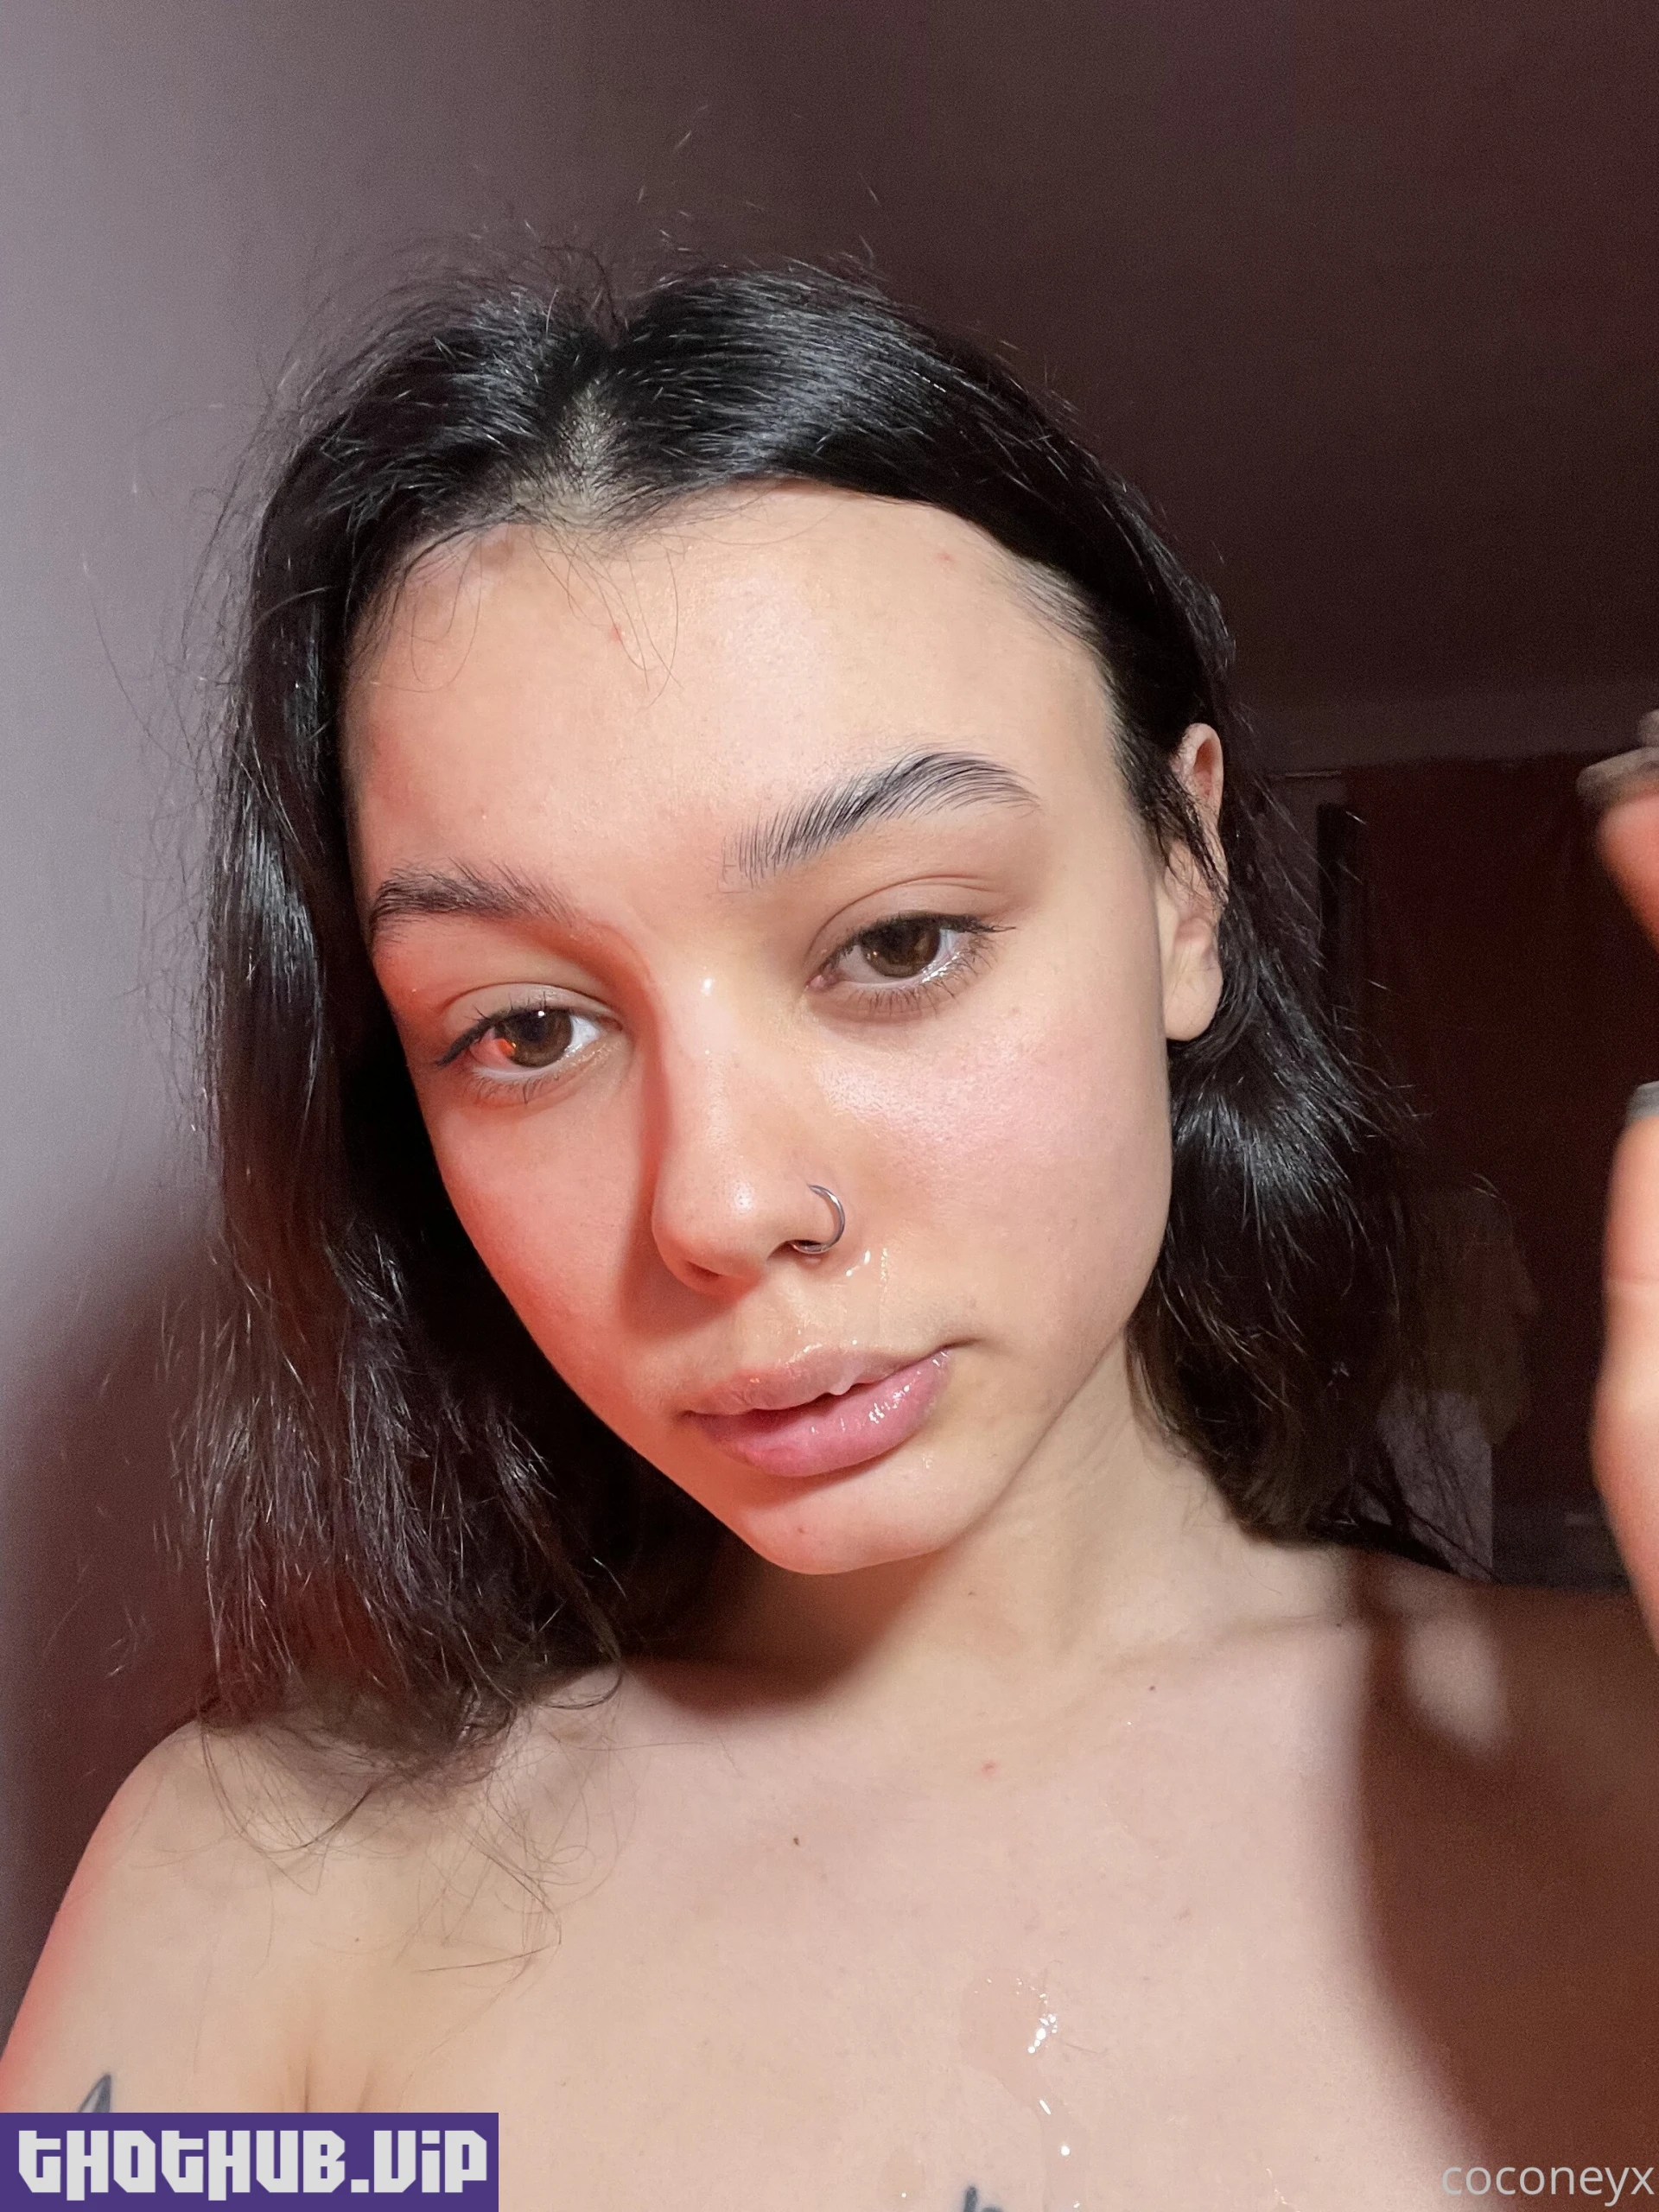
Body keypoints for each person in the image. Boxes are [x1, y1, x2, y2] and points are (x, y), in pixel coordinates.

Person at [4, 263, 1659, 2209]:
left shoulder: (1627, 1775)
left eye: (899, 939)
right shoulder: (267, 1902)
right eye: (524, 1031)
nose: (717, 1206)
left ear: (1185, 882)